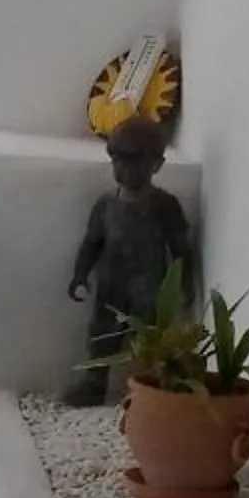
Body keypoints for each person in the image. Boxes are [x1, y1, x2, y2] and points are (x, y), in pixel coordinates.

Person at [62, 116, 193, 406]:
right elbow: (92, 243)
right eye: (118, 161)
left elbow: (180, 249)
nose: (125, 170)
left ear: (156, 165)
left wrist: (185, 282)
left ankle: (148, 391)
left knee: (149, 339)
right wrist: (80, 274)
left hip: (150, 285)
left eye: (135, 162)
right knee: (102, 333)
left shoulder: (165, 206)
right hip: (112, 283)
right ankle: (95, 383)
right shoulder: (105, 205)